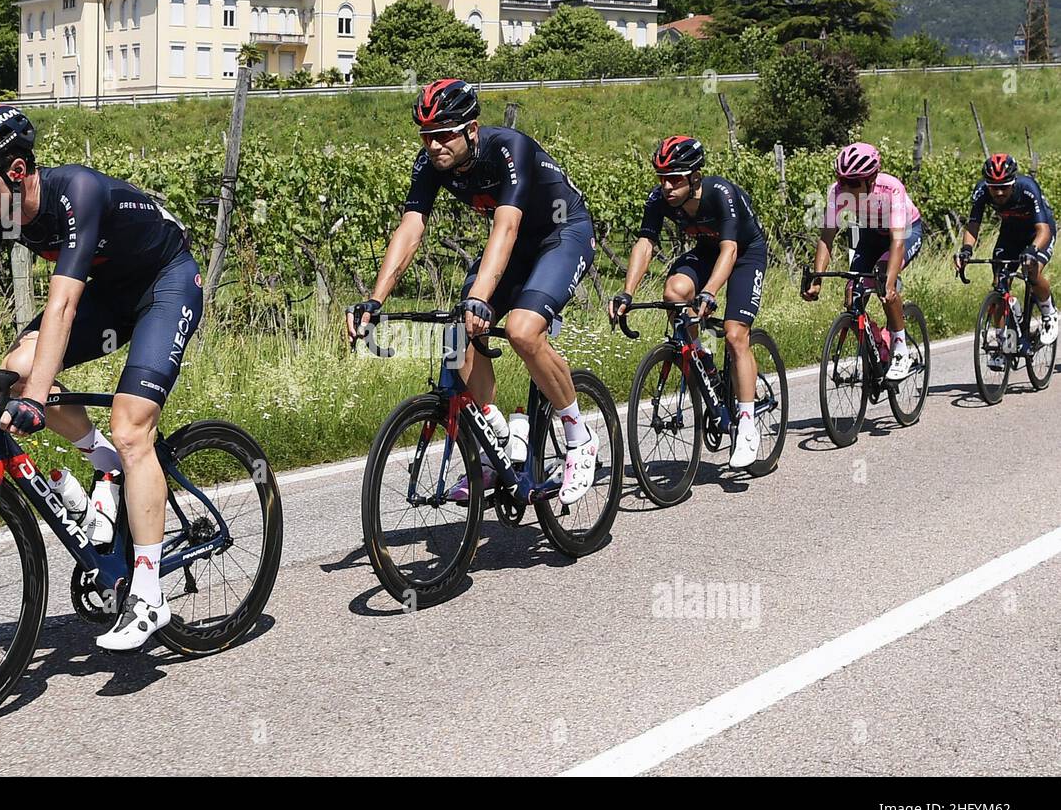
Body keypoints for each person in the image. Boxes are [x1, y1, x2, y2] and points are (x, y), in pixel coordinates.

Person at [0, 104, 203, 651]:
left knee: (131, 429)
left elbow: (61, 308)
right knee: (16, 370)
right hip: (109, 294)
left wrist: (36, 402)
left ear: (15, 170)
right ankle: (102, 466)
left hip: (165, 284)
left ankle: (149, 593)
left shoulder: (77, 194)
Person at [346, 79, 599, 504]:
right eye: (426, 136)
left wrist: (481, 297)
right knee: (457, 334)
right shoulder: (430, 164)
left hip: (562, 233)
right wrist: (375, 301)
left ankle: (579, 434)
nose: (434, 145)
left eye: (444, 134)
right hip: (515, 246)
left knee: (521, 330)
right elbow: (411, 228)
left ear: (471, 129)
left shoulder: (508, 148)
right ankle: (496, 440)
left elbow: (507, 225)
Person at [609, 135, 768, 469]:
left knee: (736, 333)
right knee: (675, 293)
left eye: (675, 178)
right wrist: (627, 292)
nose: (666, 186)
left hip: (744, 253)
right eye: (662, 178)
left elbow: (731, 250)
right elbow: (645, 243)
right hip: (708, 252)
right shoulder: (660, 199)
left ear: (695, 176)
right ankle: (703, 352)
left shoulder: (720, 194)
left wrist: (710, 292)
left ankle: (747, 424)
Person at [803, 142, 924, 381]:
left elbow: (897, 242)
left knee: (882, 281)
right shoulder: (837, 192)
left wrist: (889, 284)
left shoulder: (891, 189)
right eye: (842, 180)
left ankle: (901, 348)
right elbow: (827, 237)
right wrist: (817, 279)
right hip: (871, 234)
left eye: (853, 183)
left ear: (872, 178)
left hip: (905, 233)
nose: (846, 187)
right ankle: (879, 342)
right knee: (852, 294)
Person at [954, 153, 1058, 369]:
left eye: (1004, 187)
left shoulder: (1027, 187)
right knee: (1000, 285)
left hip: (1039, 232)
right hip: (1010, 233)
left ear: (1013, 182)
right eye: (994, 187)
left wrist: (1031, 251)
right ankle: (1006, 345)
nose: (999, 192)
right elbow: (974, 224)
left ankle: (1049, 314)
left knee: (1032, 270)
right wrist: (965, 251)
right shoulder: (981, 190)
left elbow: (1043, 230)